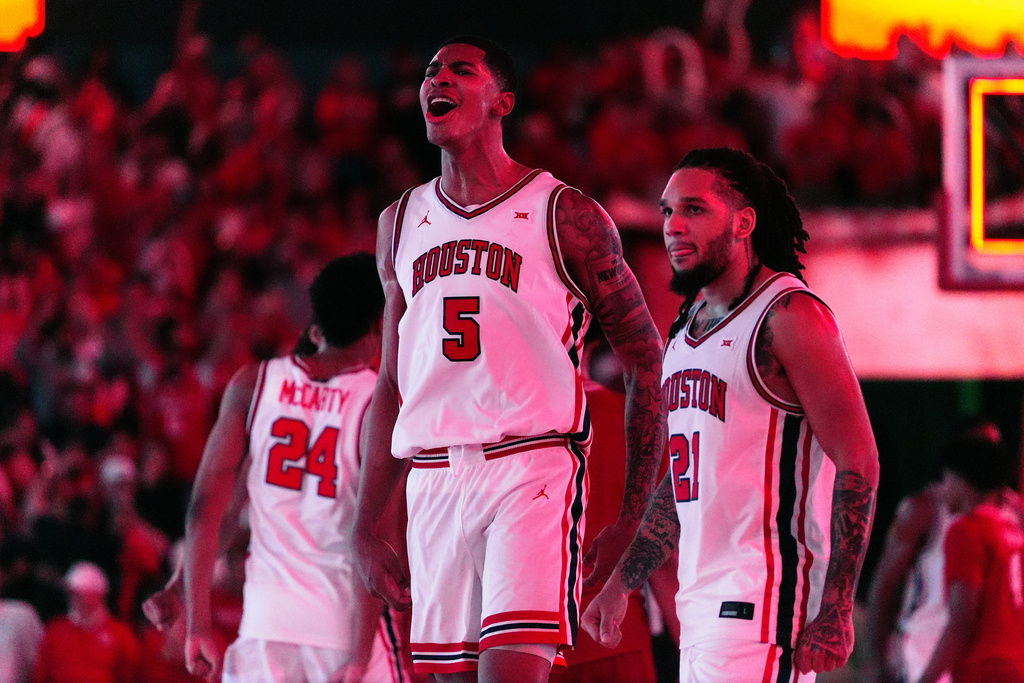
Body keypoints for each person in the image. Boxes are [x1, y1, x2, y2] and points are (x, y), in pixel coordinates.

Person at [352, 36, 666, 683]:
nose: (438, 78)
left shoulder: (566, 213)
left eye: (462, 70)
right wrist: (366, 521)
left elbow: (645, 360)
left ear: (503, 102)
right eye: (432, 70)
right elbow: (391, 379)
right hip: (436, 476)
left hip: (530, 467)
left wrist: (631, 514)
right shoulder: (400, 221)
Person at [582, 147, 879, 682]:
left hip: (764, 607)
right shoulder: (684, 332)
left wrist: (837, 603)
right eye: (668, 211)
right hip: (701, 614)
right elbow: (678, 483)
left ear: (743, 223)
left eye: (694, 210)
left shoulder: (790, 315)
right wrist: (623, 583)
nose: (673, 226)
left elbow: (858, 458)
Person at [175, 254, 406, 682]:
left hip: (264, 629)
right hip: (344, 628)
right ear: (381, 323)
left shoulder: (254, 383)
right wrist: (358, 656)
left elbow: (204, 510)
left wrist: (198, 626)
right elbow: (377, 535)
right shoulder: (378, 403)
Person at [866, 418, 1002, 683]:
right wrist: (879, 662)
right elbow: (883, 588)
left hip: (984, 658)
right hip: (925, 651)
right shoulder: (926, 509)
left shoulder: (1011, 512)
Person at [916, 434, 1024, 683]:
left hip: (984, 669)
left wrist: (926, 678)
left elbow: (962, 621)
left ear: (960, 481)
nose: (940, 490)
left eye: (943, 480)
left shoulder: (966, 530)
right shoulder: (1012, 530)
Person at [32, 561, 140, 683]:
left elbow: (130, 675)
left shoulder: (121, 635)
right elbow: (41, 675)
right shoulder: (55, 630)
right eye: (72, 593)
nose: (74, 599)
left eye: (80, 594)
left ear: (98, 595)